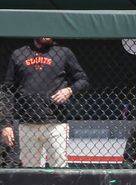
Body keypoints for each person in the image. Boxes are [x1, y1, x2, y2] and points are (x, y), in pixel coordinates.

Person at [1, 38, 89, 167]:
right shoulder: (19, 54)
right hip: (27, 123)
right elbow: (8, 91)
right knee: (29, 170)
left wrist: (69, 90)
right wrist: (6, 124)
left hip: (55, 123)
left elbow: (83, 80)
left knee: (59, 168)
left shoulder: (63, 52)